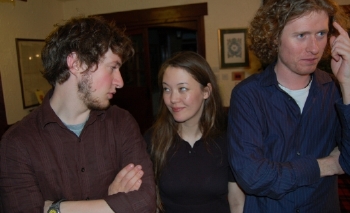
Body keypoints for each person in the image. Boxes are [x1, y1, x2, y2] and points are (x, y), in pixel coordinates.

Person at [227, 0, 350, 213]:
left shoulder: (334, 90)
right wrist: (324, 165)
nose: (314, 48)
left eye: (321, 34)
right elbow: (252, 177)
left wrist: (348, 83)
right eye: (301, 36)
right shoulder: (248, 94)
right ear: (274, 38)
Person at [0, 16, 156, 213]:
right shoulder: (16, 143)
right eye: (113, 67)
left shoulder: (121, 123)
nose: (120, 81)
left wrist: (54, 209)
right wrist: (112, 202)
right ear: (76, 64)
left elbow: (145, 202)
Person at [145, 51, 245, 213]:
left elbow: (237, 203)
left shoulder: (228, 138)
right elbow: (152, 203)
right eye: (166, 89)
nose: (173, 99)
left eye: (182, 88)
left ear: (206, 91)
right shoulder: (153, 139)